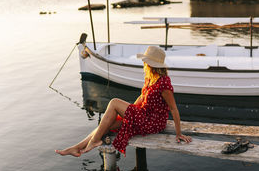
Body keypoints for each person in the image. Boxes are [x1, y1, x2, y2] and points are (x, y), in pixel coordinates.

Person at [55, 46, 192, 157]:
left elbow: (173, 109)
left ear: (151, 64)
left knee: (114, 102)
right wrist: (130, 111)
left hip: (152, 122)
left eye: (145, 61)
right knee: (106, 124)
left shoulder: (164, 84)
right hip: (142, 116)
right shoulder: (150, 77)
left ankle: (94, 141)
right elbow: (141, 97)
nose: (143, 63)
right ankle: (76, 147)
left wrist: (178, 133)